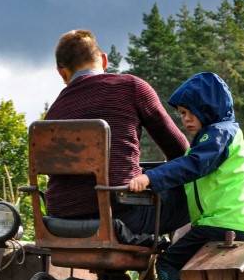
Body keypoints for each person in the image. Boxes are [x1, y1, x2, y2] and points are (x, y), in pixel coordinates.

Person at [128, 72, 244, 280]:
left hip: (224, 223)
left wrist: (152, 179)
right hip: (227, 223)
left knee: (167, 263)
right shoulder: (213, 140)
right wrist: (147, 173)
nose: (185, 120)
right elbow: (188, 168)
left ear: (207, 109)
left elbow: (192, 167)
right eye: (181, 114)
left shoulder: (221, 134)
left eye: (190, 113)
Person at [44, 29, 189, 236]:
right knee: (195, 191)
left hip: (60, 219)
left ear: (62, 72)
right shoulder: (131, 87)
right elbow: (180, 150)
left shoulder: (54, 111)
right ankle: (174, 264)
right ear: (104, 60)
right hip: (123, 215)